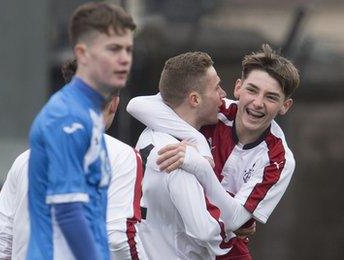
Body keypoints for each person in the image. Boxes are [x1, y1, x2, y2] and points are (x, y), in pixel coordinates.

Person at [127, 44, 299, 259]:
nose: (257, 103)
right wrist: (197, 141)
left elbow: (236, 220)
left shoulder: (279, 159)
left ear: (285, 106)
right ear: (238, 88)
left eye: (271, 97)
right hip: (176, 238)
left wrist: (200, 166)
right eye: (252, 90)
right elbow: (137, 106)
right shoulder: (215, 110)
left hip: (223, 249)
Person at [0, 60, 143, 260]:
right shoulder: (123, 156)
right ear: (114, 103)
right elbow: (118, 237)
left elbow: (1, 242)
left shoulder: (25, 159)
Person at [26, 3, 136, 259]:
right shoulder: (67, 116)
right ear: (83, 54)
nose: (124, 59)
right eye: (114, 49)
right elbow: (68, 211)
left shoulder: (88, 112)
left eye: (128, 49)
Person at [133, 51, 244, 259]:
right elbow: (204, 230)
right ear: (194, 99)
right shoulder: (177, 158)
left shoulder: (149, 133)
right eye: (216, 87)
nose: (223, 94)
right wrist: (235, 227)